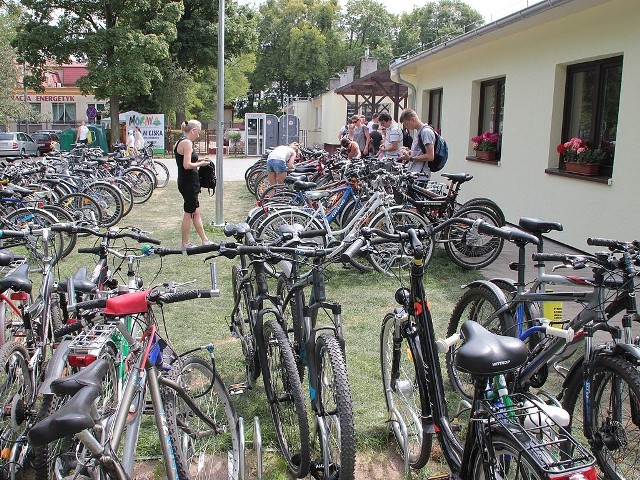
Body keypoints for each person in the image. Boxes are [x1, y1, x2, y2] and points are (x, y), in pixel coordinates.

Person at [175, 119, 212, 248]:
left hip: (186, 182)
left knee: (195, 212)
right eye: (198, 133)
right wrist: (201, 164)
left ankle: (205, 240)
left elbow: (187, 160)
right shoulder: (187, 143)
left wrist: (201, 160)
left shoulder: (180, 141)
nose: (198, 135)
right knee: (189, 213)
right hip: (188, 182)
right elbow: (186, 165)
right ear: (193, 131)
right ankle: (185, 244)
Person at [398, 108, 435, 185]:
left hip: (421, 176)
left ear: (413, 119)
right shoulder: (418, 132)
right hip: (414, 174)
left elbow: (430, 156)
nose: (406, 127)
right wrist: (409, 152)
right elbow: (420, 152)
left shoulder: (426, 132)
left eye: (407, 124)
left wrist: (410, 158)